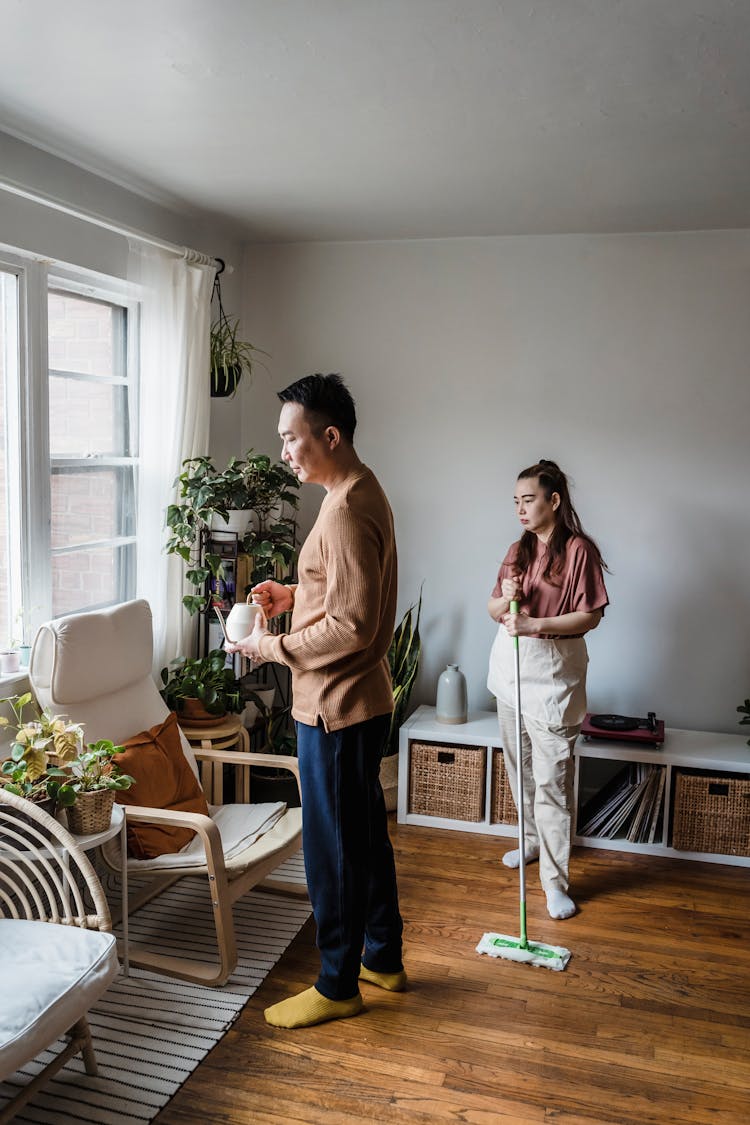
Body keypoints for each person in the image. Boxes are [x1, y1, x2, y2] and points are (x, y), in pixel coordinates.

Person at [225, 373, 405, 1029]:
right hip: (357, 700)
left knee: (332, 847)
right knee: (363, 834)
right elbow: (348, 593)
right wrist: (293, 592)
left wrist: (273, 647)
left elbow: (353, 625)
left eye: (290, 438)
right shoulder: (357, 490)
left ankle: (337, 983)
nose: (284, 453)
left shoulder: (347, 507)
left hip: (334, 706)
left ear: (329, 435)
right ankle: (382, 956)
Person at [487, 459, 609, 921]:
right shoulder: (517, 548)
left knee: (552, 784)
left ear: (553, 500)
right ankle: (532, 843)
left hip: (553, 675)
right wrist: (507, 593)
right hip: (510, 672)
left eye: (529, 500)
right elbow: (493, 607)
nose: (520, 509)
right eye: (515, 501)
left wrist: (534, 622)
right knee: (519, 772)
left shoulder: (579, 551)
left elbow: (591, 616)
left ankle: (555, 884)